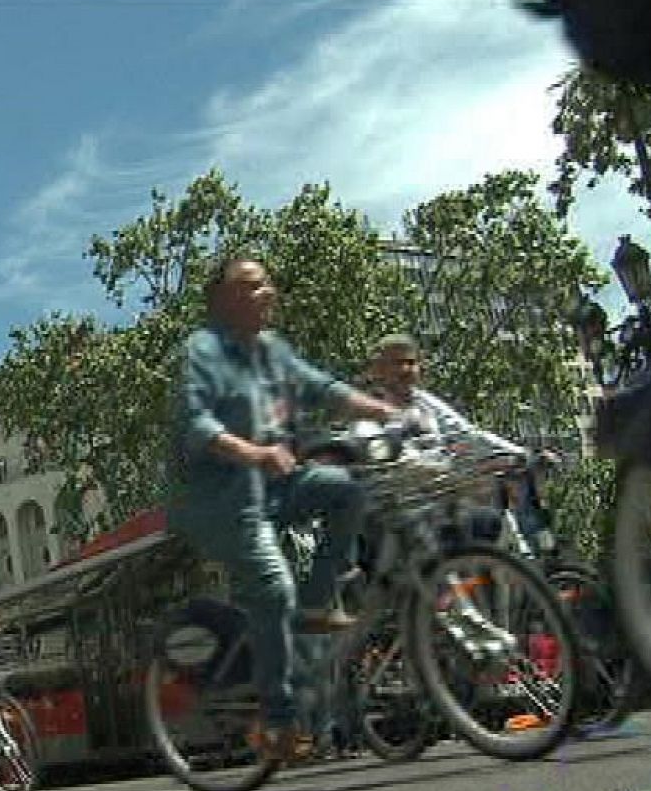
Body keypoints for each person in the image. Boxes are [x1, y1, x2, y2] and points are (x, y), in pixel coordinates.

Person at [169, 256, 398, 759]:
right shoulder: (202, 351)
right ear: (223, 301)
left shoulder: (273, 351)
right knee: (273, 588)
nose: (266, 293)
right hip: (221, 501)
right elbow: (195, 426)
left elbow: (323, 388)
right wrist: (255, 452)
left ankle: (316, 603)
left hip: (278, 485)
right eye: (251, 287)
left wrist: (386, 410)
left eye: (266, 284)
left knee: (349, 488)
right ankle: (276, 720)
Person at [362, 334, 529, 547]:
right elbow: (389, 461)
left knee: (498, 514)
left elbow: (469, 434)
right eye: (397, 363)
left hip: (446, 498)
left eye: (411, 363)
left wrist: (518, 453)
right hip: (402, 511)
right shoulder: (369, 408)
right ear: (378, 370)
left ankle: (524, 567)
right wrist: (448, 475)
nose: (406, 370)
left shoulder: (425, 403)